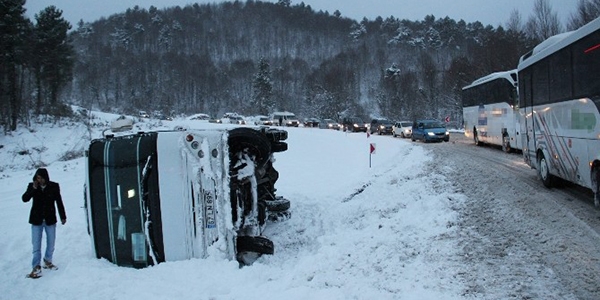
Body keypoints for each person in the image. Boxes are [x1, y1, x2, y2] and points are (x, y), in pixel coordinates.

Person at [22, 168, 67, 279]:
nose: (40, 180)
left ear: (46, 177)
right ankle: (36, 267)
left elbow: (59, 201)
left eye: (41, 178)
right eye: (37, 178)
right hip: (36, 220)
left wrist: (63, 216)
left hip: (50, 218)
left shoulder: (54, 186)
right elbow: (25, 198)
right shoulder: (32, 186)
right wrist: (33, 189)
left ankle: (48, 260)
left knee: (51, 242)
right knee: (36, 245)